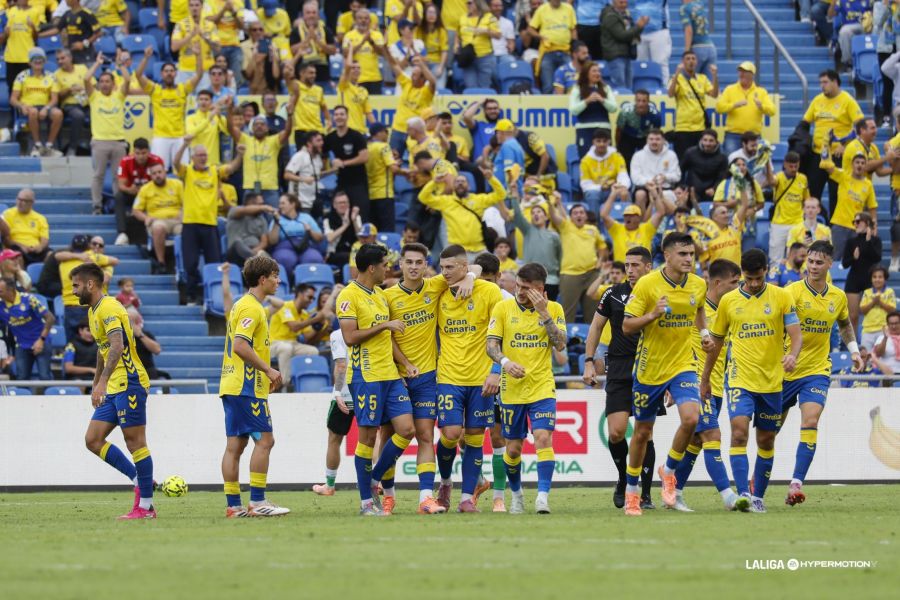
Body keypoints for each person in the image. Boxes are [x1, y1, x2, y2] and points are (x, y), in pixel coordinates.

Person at [700, 249, 802, 513]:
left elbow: (795, 334)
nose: (754, 284)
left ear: (766, 271)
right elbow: (717, 342)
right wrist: (706, 377)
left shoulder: (782, 296)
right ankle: (743, 493)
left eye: (759, 278)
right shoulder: (729, 301)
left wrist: (792, 354)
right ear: (742, 275)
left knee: (766, 440)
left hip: (771, 382)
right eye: (749, 278)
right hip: (739, 379)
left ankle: (758, 496)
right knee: (738, 433)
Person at [384, 242, 480, 514]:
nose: (414, 267)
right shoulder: (388, 297)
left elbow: (471, 266)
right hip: (396, 377)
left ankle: (425, 497)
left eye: (419, 262)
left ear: (426, 266)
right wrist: (404, 363)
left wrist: (471, 277)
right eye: (409, 262)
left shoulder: (435, 285)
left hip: (427, 377)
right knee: (388, 435)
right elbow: (385, 336)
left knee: (425, 435)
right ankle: (386, 494)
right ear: (400, 264)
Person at [621, 232, 711, 516]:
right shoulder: (648, 284)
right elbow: (626, 325)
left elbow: (698, 311)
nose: (688, 259)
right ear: (667, 255)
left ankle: (669, 471)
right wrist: (651, 315)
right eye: (683, 254)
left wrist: (705, 333)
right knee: (642, 433)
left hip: (684, 363)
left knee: (691, 418)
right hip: (650, 369)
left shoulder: (698, 284)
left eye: (692, 255)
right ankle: (632, 492)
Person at [336, 244, 417, 516]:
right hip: (365, 376)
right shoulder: (348, 296)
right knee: (368, 438)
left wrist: (404, 363)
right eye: (384, 265)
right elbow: (349, 337)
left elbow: (387, 337)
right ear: (371, 268)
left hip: (390, 376)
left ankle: (372, 480)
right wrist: (385, 325)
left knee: (407, 430)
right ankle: (366, 503)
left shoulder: (380, 295)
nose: (388, 269)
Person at [780, 240, 863, 506]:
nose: (813, 266)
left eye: (818, 262)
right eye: (810, 261)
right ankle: (758, 478)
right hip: (785, 369)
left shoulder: (837, 297)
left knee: (811, 421)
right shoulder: (791, 292)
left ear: (830, 263)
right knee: (770, 430)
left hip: (816, 370)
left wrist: (854, 351)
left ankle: (796, 484)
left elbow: (845, 324)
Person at [71, 262, 154, 519]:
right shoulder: (93, 311)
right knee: (93, 440)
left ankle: (146, 507)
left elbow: (116, 346)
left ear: (90, 284)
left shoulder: (108, 307)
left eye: (76, 285)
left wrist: (103, 382)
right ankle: (139, 479)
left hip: (129, 381)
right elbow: (103, 347)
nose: (73, 291)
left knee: (135, 443)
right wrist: (98, 382)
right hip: (113, 385)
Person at [483, 262, 565, 514]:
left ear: (541, 289)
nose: (519, 291)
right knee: (513, 448)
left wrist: (545, 315)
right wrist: (505, 363)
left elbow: (560, 344)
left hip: (541, 386)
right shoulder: (503, 307)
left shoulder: (554, 308)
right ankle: (517, 494)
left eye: (526, 288)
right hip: (512, 389)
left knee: (543, 438)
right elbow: (491, 345)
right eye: (518, 285)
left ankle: (542, 497)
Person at [425, 244, 502, 513]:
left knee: (475, 437)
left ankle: (467, 497)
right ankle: (445, 483)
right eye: (441, 267)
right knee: (451, 433)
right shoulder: (437, 290)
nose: (443, 273)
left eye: (449, 268)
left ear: (463, 266)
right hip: (448, 375)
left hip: (482, 378)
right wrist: (469, 275)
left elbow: (503, 333)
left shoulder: (490, 292)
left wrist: (496, 372)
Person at [669, 258, 748, 512]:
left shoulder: (729, 309)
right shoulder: (695, 309)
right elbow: (673, 340)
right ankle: (728, 497)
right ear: (717, 282)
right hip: (694, 382)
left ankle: (673, 492)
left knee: (695, 442)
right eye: (734, 282)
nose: (738, 287)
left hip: (715, 384)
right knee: (712, 435)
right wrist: (673, 382)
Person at [583, 246, 658, 508]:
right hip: (619, 368)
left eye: (635, 265)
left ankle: (644, 493)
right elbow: (595, 326)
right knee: (616, 432)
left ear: (648, 267)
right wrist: (589, 361)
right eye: (627, 265)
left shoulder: (658, 293)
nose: (630, 270)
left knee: (644, 433)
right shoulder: (613, 293)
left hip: (650, 367)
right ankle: (624, 478)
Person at [218, 255, 289, 517]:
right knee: (266, 441)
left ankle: (234, 506)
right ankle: (257, 502)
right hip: (245, 387)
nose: (278, 281)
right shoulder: (252, 308)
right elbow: (240, 345)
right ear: (263, 279)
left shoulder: (242, 305)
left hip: (234, 384)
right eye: (275, 275)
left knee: (235, 447)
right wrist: (268, 370)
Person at [174, 136, 245, 303]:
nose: (203, 158)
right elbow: (176, 162)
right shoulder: (188, 171)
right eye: (199, 155)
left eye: (205, 155)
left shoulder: (214, 171)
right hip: (190, 224)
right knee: (190, 263)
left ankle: (214, 298)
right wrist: (184, 144)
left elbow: (232, 167)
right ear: (193, 158)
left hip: (210, 224)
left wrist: (240, 155)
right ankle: (192, 296)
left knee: (213, 264)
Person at [800, 70, 864, 219]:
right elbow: (805, 122)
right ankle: (818, 222)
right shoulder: (817, 100)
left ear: (835, 82)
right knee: (814, 192)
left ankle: (834, 226)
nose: (822, 86)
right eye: (820, 83)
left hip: (838, 156)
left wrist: (845, 145)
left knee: (837, 193)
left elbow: (860, 126)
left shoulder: (847, 100)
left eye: (825, 82)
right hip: (818, 155)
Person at [135, 45, 203, 170]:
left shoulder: (183, 89)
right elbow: (138, 75)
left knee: (183, 171)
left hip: (179, 138)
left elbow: (199, 75)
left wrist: (198, 56)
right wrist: (146, 57)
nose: (169, 73)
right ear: (161, 74)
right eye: (166, 71)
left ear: (176, 73)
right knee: (158, 171)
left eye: (171, 71)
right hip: (161, 137)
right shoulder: (155, 89)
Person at [419, 164, 507, 259]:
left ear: (468, 186)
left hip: (479, 249)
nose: (460, 183)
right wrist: (434, 182)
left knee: (489, 270)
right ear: (453, 186)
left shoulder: (478, 199)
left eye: (463, 181)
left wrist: (491, 179)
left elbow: (501, 195)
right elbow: (423, 197)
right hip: (457, 251)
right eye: (457, 181)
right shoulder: (446, 201)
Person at [549, 199, 609, 323]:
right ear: (570, 217)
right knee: (567, 313)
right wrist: (551, 203)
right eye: (575, 213)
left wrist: (601, 260)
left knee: (593, 313)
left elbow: (602, 247)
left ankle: (591, 341)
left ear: (586, 216)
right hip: (570, 275)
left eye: (581, 212)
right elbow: (554, 216)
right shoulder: (565, 226)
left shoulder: (593, 229)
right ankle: (565, 341)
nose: (579, 215)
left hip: (592, 274)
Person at [310, 327, 354, 496]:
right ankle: (377, 483)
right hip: (368, 389)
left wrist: (337, 392)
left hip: (345, 394)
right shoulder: (369, 328)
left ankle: (329, 485)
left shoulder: (338, 334)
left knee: (334, 439)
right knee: (373, 437)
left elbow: (341, 365)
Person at [84, 53, 129, 216]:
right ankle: (97, 206)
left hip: (118, 142)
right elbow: (85, 79)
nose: (104, 84)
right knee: (98, 176)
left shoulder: (119, 96)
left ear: (113, 83)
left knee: (119, 178)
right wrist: (97, 63)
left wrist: (121, 65)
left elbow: (128, 80)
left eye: (107, 81)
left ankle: (119, 207)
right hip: (100, 142)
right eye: (101, 81)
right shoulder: (94, 97)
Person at [268, 283, 325, 391]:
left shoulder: (304, 313)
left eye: (313, 298)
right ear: (299, 294)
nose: (311, 300)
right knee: (286, 348)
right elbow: (294, 327)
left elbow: (307, 336)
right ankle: (284, 384)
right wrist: (314, 320)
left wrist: (319, 325)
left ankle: (305, 383)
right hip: (275, 343)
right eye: (309, 297)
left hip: (293, 344)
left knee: (313, 351)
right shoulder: (285, 307)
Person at [821, 152, 877, 259]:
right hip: (839, 224)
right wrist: (825, 150)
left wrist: (874, 226)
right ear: (852, 164)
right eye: (857, 162)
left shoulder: (868, 185)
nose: (859, 165)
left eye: (862, 163)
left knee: (855, 258)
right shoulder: (843, 176)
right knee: (835, 257)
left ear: (865, 166)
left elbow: (872, 207)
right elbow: (828, 167)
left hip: (858, 227)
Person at [10, 47, 64, 158]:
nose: (38, 61)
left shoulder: (51, 76)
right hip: (28, 107)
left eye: (40, 59)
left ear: (44, 61)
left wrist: (46, 108)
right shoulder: (22, 76)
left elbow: (54, 99)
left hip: (45, 106)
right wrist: (22, 105)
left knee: (58, 114)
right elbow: (13, 99)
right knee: (33, 111)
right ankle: (37, 146)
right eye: (35, 59)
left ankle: (49, 146)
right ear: (30, 62)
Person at [715, 62, 776, 156]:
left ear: (752, 75)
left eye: (745, 71)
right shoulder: (730, 89)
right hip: (733, 134)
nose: (741, 74)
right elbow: (719, 108)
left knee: (754, 165)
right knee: (732, 163)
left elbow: (772, 111)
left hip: (753, 136)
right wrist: (734, 105)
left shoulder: (761, 91)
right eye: (740, 71)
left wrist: (762, 107)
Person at [132, 163, 184, 273]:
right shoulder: (145, 189)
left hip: (176, 221)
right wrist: (145, 217)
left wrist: (182, 214)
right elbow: (135, 210)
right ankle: (161, 263)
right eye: (154, 173)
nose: (157, 175)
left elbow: (188, 204)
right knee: (158, 228)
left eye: (160, 172)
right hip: (157, 220)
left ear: (165, 172)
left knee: (187, 231)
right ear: (151, 176)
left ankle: (183, 264)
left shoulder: (178, 184)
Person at [0, 276, 54, 380]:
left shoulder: (29, 299)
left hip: (41, 343)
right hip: (21, 346)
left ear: (10, 290)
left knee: (44, 376)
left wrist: (41, 340)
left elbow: (50, 318)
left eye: (0, 291)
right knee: (21, 378)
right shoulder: (1, 305)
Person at [667, 50, 718, 158]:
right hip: (683, 128)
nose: (691, 61)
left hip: (700, 127)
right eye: (688, 59)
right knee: (682, 159)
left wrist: (714, 76)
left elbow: (714, 94)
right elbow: (671, 94)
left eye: (693, 59)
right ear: (683, 62)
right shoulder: (677, 79)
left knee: (700, 159)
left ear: (697, 62)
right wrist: (676, 74)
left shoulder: (702, 78)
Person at [324, 105, 371, 221]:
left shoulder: (356, 136)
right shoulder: (330, 137)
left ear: (347, 117)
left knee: (361, 216)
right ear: (333, 118)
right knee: (337, 217)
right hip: (341, 183)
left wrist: (344, 163)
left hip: (358, 183)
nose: (339, 117)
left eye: (342, 114)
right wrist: (331, 164)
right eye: (336, 114)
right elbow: (322, 156)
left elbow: (364, 157)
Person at [384, 51, 436, 154]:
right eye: (412, 74)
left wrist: (421, 64)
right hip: (398, 129)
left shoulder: (427, 92)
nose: (412, 77)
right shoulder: (407, 83)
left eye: (415, 75)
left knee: (416, 160)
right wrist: (386, 51)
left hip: (415, 131)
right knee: (393, 158)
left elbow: (433, 82)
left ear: (423, 78)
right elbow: (394, 65)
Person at [843, 212, 883, 333]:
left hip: (870, 280)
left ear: (867, 223)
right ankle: (853, 346)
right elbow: (845, 264)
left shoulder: (876, 240)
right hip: (854, 279)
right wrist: (853, 258)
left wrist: (868, 241)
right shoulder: (851, 241)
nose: (855, 224)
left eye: (858, 221)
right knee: (853, 316)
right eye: (854, 222)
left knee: (872, 315)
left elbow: (877, 258)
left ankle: (870, 345)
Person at [570, 61, 619, 159]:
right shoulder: (577, 89)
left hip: (603, 128)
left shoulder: (606, 88)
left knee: (606, 159)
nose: (598, 74)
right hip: (584, 129)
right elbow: (573, 110)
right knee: (585, 159)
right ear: (586, 73)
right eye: (594, 71)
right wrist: (586, 101)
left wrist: (602, 100)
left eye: (599, 71)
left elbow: (614, 108)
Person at [527, 0, 577, 94]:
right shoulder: (542, 9)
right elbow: (530, 29)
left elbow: (573, 29)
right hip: (548, 52)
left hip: (565, 51)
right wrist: (540, 36)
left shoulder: (569, 9)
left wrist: (575, 46)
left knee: (571, 84)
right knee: (548, 85)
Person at [267, 193, 325, 272]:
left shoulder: (306, 217)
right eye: (279, 204)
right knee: (284, 259)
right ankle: (288, 283)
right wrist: (277, 222)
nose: (280, 206)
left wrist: (310, 230)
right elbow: (272, 241)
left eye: (283, 203)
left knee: (314, 258)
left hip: (304, 246)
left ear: (293, 204)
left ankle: (308, 284)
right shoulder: (277, 219)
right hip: (285, 247)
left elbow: (319, 238)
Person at [769, 151, 811, 260]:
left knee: (798, 257)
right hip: (779, 223)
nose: (793, 169)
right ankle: (774, 276)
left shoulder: (803, 178)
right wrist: (766, 164)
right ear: (784, 164)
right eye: (790, 166)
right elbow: (771, 182)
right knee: (775, 258)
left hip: (797, 223)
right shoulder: (778, 177)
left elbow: (807, 200)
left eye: (796, 166)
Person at [601, 195, 667, 262]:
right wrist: (613, 194)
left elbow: (660, 213)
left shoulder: (646, 229)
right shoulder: (617, 229)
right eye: (626, 215)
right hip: (622, 270)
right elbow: (604, 215)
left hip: (643, 271)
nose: (628, 218)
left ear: (638, 218)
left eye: (631, 215)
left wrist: (654, 193)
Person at [599, 0, 648, 89]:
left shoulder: (625, 15)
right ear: (613, 2)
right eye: (621, 2)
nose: (624, 5)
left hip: (625, 55)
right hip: (615, 57)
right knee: (620, 87)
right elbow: (622, 35)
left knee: (629, 87)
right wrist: (639, 26)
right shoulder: (610, 16)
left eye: (625, 3)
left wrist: (637, 28)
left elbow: (630, 33)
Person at [172, 0, 220, 87]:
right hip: (185, 71)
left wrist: (204, 37)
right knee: (183, 99)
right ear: (188, 7)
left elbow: (218, 48)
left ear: (202, 7)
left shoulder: (211, 25)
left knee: (204, 99)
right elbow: (174, 47)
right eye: (192, 5)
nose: (194, 8)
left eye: (197, 5)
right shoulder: (180, 24)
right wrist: (190, 35)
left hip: (206, 71)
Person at [365, 123, 403, 234]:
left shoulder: (367, 147)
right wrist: (404, 170)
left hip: (370, 195)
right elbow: (394, 169)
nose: (387, 134)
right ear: (379, 133)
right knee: (387, 231)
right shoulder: (384, 146)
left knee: (374, 232)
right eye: (386, 131)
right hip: (384, 194)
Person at [630, 129, 681, 209]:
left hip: (665, 187)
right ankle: (642, 221)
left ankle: (668, 221)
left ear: (663, 140)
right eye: (651, 139)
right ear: (647, 140)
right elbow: (635, 178)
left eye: (657, 139)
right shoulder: (638, 156)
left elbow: (677, 176)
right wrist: (649, 181)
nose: (654, 142)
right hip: (645, 187)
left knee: (668, 194)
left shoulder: (671, 155)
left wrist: (665, 177)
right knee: (640, 194)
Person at [457, 0, 501, 90]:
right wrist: (456, 44)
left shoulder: (490, 17)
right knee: (470, 87)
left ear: (478, 3)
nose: (467, 5)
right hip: (468, 57)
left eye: (470, 3)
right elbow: (458, 33)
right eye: (467, 3)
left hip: (484, 57)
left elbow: (498, 35)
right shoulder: (462, 18)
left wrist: (486, 31)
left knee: (484, 88)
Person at [341, 7, 386, 95]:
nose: (363, 20)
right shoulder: (349, 35)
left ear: (369, 20)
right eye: (360, 18)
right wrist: (362, 42)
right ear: (355, 20)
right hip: (357, 79)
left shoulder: (376, 35)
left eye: (366, 18)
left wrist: (371, 42)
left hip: (374, 78)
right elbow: (345, 53)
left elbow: (382, 52)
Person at [1, 0, 43, 93]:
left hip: (27, 58)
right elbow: (5, 35)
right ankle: (13, 108)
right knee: (11, 88)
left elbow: (36, 38)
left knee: (26, 89)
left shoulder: (35, 12)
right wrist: (5, 33)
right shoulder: (11, 11)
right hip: (11, 57)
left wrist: (32, 27)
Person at [52, 48, 88, 157]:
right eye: (58, 59)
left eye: (63, 58)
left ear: (70, 58)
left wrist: (83, 88)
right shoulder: (57, 74)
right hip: (69, 105)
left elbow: (94, 85)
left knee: (100, 112)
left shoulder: (82, 68)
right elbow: (57, 96)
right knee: (78, 115)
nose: (60, 61)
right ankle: (72, 149)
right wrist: (69, 90)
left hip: (87, 102)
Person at [287, 61, 330, 149]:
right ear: (302, 73)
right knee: (304, 160)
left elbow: (324, 107)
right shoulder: (296, 86)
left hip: (318, 129)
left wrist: (328, 120)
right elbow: (287, 75)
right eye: (310, 73)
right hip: (302, 130)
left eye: (315, 73)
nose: (314, 75)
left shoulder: (319, 90)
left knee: (322, 158)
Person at [225, 192, 275, 267]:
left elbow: (264, 242)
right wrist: (263, 208)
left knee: (261, 254)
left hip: (254, 251)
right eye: (260, 204)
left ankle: (255, 259)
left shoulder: (261, 219)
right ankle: (255, 259)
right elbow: (244, 210)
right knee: (237, 242)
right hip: (235, 252)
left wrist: (255, 251)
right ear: (250, 203)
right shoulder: (235, 210)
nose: (262, 207)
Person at [2, 189, 50, 265]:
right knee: (17, 255)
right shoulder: (8, 214)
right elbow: (6, 239)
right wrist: (21, 246)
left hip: (35, 249)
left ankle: (46, 276)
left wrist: (40, 247)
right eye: (19, 199)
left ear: (32, 203)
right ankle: (21, 276)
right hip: (17, 247)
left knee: (51, 255)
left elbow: (45, 239)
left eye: (25, 201)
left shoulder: (40, 218)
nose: (21, 203)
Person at [615, 89, 662, 168]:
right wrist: (617, 146)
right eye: (638, 101)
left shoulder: (655, 114)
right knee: (625, 160)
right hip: (628, 135)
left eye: (644, 101)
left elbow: (656, 132)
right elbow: (619, 130)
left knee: (647, 159)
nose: (641, 104)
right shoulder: (625, 112)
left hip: (645, 136)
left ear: (648, 102)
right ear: (635, 101)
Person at [679, 129, 728, 203]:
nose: (707, 144)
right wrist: (682, 187)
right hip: (692, 190)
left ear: (716, 142)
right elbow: (680, 171)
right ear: (701, 140)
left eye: (711, 141)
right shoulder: (690, 153)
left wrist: (714, 188)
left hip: (711, 192)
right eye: (705, 140)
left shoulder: (722, 158)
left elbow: (722, 177)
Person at [285, 131, 329, 213]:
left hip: (314, 202)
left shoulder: (317, 158)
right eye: (318, 141)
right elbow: (287, 175)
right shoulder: (300, 156)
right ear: (309, 143)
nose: (322, 143)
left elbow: (316, 176)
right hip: (301, 203)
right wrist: (303, 179)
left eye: (322, 140)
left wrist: (333, 170)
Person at [185, 90, 230, 167]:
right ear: (197, 102)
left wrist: (219, 116)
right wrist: (209, 119)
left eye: (206, 99)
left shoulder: (216, 117)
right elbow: (191, 133)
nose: (203, 102)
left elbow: (227, 131)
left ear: (211, 102)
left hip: (213, 164)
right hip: (196, 165)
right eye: (201, 99)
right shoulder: (190, 118)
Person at [634, 0, 673, 82]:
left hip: (659, 30)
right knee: (640, 64)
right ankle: (641, 89)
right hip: (640, 30)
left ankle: (664, 89)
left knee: (660, 64)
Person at [337, 51, 376, 134]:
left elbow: (368, 113)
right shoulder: (344, 86)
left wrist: (377, 128)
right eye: (353, 68)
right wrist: (351, 49)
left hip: (361, 131)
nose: (356, 70)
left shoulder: (363, 91)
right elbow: (348, 66)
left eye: (358, 68)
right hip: (348, 130)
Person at [860, 266, 897, 351]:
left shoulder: (890, 292)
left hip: (884, 330)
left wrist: (880, 303)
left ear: (885, 279)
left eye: (880, 277)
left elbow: (892, 310)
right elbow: (862, 310)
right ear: (871, 279)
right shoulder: (867, 292)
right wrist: (873, 302)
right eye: (874, 277)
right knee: (866, 358)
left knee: (883, 357)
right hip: (867, 331)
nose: (877, 279)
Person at [241, 19, 283, 94]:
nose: (258, 32)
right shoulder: (243, 46)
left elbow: (276, 75)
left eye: (261, 30)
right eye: (254, 30)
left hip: (271, 82)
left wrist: (272, 56)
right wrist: (254, 57)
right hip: (253, 80)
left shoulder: (271, 44)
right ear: (249, 32)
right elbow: (247, 74)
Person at [323, 191, 361, 270]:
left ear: (349, 204)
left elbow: (361, 238)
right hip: (335, 253)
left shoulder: (355, 217)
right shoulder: (328, 219)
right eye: (340, 203)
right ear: (334, 205)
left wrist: (353, 221)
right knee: (353, 257)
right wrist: (345, 225)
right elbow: (329, 238)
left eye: (345, 202)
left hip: (353, 250)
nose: (343, 205)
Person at [679, 0, 715, 76]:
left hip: (697, 47)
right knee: (708, 84)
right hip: (710, 47)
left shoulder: (684, 9)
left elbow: (689, 30)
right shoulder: (700, 4)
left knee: (689, 79)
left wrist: (687, 52)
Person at [462, 97, 501, 165]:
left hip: (499, 162)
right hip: (480, 163)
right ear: (485, 111)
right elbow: (466, 117)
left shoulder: (503, 126)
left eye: (495, 108)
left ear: (499, 110)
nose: (492, 111)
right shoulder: (479, 126)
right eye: (489, 109)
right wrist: (479, 103)